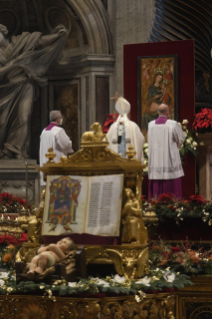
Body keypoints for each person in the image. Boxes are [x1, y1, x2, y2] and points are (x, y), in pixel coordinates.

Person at [0, 24, 68, 159]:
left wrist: (56, 35)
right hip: (4, 89)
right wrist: (12, 65)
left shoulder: (21, 40)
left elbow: (39, 41)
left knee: (23, 118)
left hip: (24, 85)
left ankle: (16, 151)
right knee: (2, 122)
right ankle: (3, 152)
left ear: (3, 31)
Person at [148, 104, 185, 199]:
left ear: (157, 112)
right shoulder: (173, 124)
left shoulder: (150, 125)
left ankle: (155, 203)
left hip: (156, 161)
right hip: (170, 161)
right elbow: (181, 139)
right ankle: (174, 206)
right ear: (168, 113)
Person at [39, 110, 74, 185]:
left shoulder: (44, 131)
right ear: (58, 119)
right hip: (56, 162)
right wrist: (69, 141)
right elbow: (66, 145)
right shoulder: (58, 130)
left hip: (45, 164)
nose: (61, 119)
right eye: (61, 117)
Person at [107, 97, 145, 163]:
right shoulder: (133, 126)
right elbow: (141, 140)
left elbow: (106, 143)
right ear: (128, 113)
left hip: (115, 166)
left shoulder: (113, 127)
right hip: (131, 165)